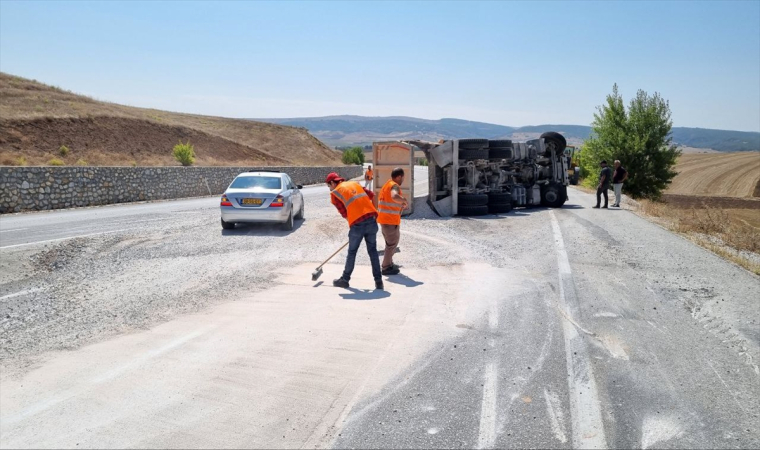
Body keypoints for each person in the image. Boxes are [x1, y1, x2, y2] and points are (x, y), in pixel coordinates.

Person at [325, 172, 383, 290]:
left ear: (332, 183)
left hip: (357, 225)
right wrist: (372, 214)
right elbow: (372, 195)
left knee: (352, 252)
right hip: (372, 220)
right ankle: (379, 282)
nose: (329, 188)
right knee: (373, 252)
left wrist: (354, 227)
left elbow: (344, 214)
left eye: (328, 185)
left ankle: (345, 280)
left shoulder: (335, 193)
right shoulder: (355, 184)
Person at [377, 167, 408, 275]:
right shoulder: (394, 186)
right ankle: (386, 267)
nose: (403, 179)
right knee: (391, 245)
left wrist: (400, 205)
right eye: (403, 177)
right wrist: (404, 200)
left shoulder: (387, 185)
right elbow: (394, 196)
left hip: (385, 220)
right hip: (390, 221)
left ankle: (389, 264)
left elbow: (390, 202)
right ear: (399, 176)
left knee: (390, 244)